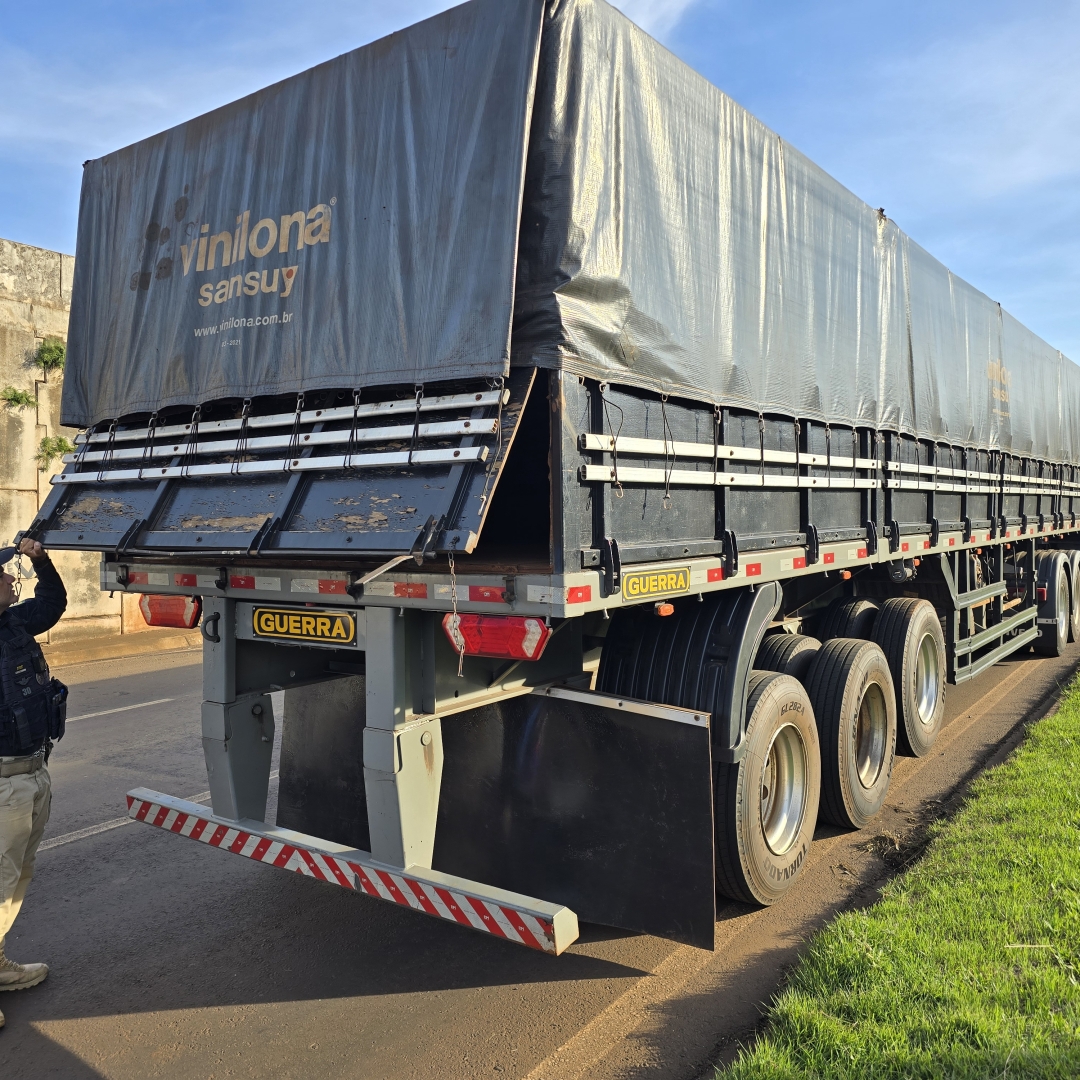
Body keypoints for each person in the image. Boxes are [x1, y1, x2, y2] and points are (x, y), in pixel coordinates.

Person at [0, 538, 67, 1030]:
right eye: (2, 575)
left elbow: (53, 602)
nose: (10, 578)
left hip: (32, 773)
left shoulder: (13, 623)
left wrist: (40, 558)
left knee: (15, 880)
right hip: (2, 786)